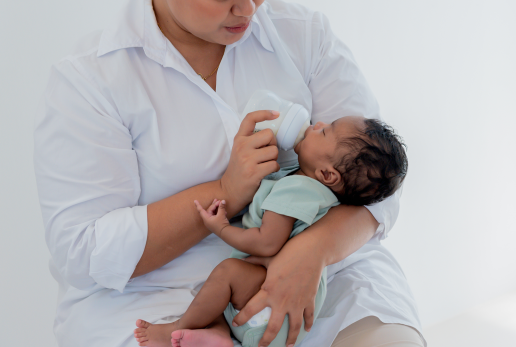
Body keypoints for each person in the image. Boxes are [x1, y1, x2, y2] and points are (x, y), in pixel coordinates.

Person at [33, 0, 425, 346]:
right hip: (151, 295)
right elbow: (83, 250)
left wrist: (311, 253)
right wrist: (226, 190)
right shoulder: (91, 79)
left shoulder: (304, 36)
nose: (249, 9)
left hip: (322, 271)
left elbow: (377, 178)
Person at [134, 116, 408, 347]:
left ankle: (177, 328)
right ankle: (219, 334)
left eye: (325, 131)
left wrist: (221, 228)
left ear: (327, 174)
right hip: (283, 309)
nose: (317, 124)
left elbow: (266, 243)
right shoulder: (312, 187)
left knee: (226, 274)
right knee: (217, 297)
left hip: (273, 304)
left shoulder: (296, 190)